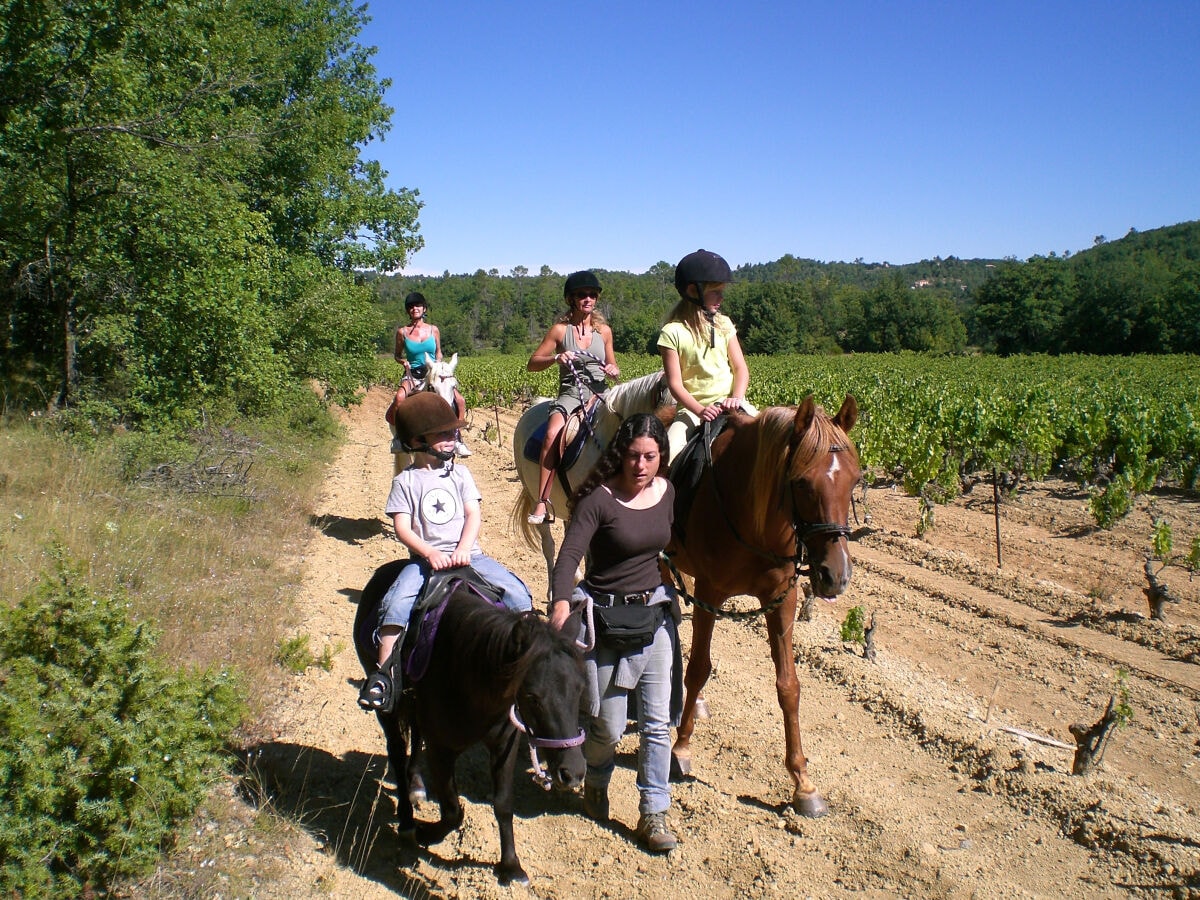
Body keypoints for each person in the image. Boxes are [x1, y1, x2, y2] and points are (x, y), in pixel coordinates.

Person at [549, 413, 681, 853]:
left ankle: (654, 811)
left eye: (650, 456)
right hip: (604, 623)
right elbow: (568, 557)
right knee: (605, 727)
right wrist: (560, 603)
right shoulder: (598, 501)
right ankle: (597, 780)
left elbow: (667, 546)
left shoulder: (666, 493)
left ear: (661, 457)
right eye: (633, 456)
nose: (641, 466)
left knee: (657, 725)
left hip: (654, 619)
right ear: (619, 456)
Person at [358, 393, 533, 713]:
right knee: (395, 603)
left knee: (519, 595)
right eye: (443, 434)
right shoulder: (406, 482)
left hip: (471, 555)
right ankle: (384, 677)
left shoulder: (461, 475)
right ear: (417, 440)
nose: (452, 438)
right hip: (425, 562)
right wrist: (428, 553)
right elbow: (403, 528)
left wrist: (465, 547)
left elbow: (473, 515)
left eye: (453, 432)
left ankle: (526, 671)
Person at [524, 271, 620, 524]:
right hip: (570, 394)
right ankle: (542, 501)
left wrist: (612, 370)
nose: (588, 299)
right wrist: (555, 357)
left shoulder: (605, 332)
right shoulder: (559, 331)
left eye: (592, 294)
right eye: (581, 295)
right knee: (552, 434)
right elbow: (532, 363)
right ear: (571, 299)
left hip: (601, 393)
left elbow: (613, 365)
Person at [657, 249, 752, 462]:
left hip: (732, 405)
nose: (722, 297)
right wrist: (700, 410)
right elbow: (675, 384)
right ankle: (663, 494)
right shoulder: (672, 332)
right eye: (716, 291)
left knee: (773, 443)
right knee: (667, 457)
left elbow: (740, 368)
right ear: (693, 290)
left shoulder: (724, 324)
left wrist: (736, 398)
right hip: (693, 411)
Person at [390, 291, 471, 457]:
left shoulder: (434, 330)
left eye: (418, 305)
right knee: (399, 398)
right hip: (413, 373)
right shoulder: (402, 332)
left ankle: (457, 439)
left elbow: (439, 352)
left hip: (433, 371)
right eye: (411, 306)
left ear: (424, 308)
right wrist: (402, 361)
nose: (414, 309)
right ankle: (398, 437)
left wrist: (440, 366)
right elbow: (397, 355)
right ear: (408, 311)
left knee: (460, 400)